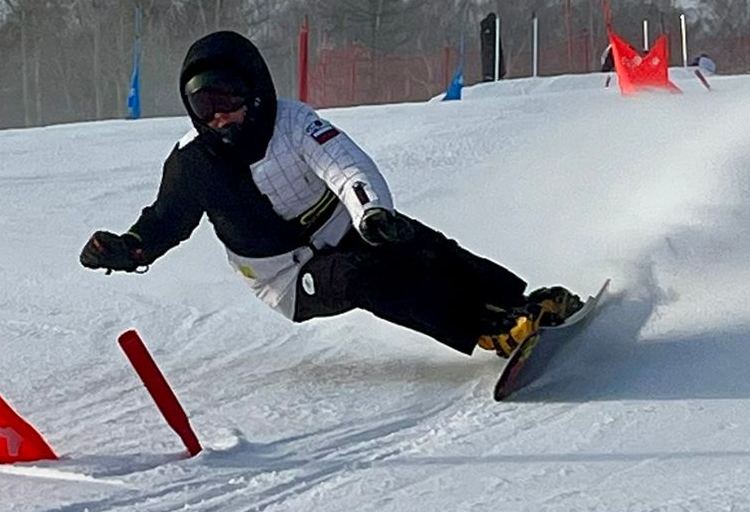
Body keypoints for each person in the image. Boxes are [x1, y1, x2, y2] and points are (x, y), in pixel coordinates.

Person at [78, 30, 581, 359]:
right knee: (368, 278)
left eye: (226, 99)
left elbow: (346, 167)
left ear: (253, 90)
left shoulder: (294, 123)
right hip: (289, 279)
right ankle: (487, 331)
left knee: (423, 248)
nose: (218, 117)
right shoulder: (193, 164)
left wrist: (373, 214)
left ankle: (520, 302)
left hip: (346, 229)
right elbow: (164, 222)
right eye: (202, 106)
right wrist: (126, 248)